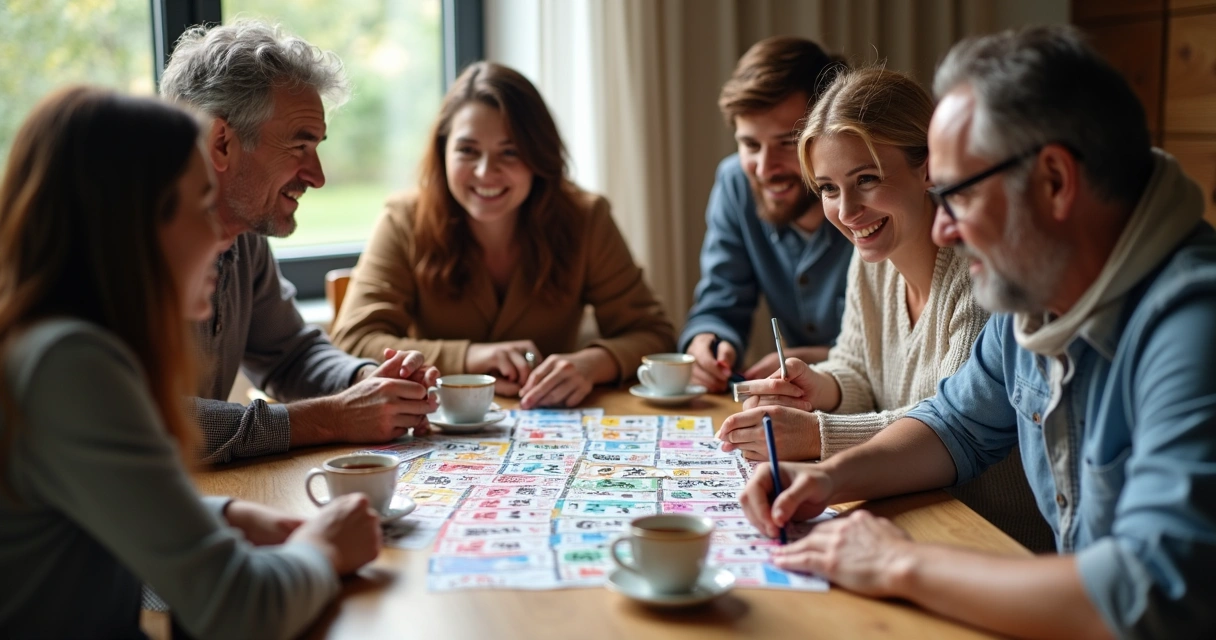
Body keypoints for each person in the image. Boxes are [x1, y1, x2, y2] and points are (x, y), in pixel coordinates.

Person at [740, 26, 1216, 638]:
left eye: (959, 194)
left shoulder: (1194, 324)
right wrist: (828, 478)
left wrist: (897, 560)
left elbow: (1149, 590)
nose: (942, 230)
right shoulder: (1040, 291)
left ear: (1053, 181)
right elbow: (954, 425)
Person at [0, 87, 382, 638]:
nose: (221, 234)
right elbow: (238, 610)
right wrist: (321, 548)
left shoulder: (58, 342)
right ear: (135, 223)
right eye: (203, 205)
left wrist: (223, 516)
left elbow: (92, 506)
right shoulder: (71, 364)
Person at [717, 66, 1051, 551]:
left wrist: (818, 435)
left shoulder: (979, 275)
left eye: (866, 179)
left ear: (927, 168)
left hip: (990, 537)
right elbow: (860, 367)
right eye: (829, 188)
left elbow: (951, 424)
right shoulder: (872, 254)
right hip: (913, 517)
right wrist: (822, 386)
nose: (847, 212)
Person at [160, 20, 439, 464]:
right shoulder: (121, 244)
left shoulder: (242, 235)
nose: (319, 176)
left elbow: (289, 355)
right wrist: (331, 418)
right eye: (299, 146)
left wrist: (367, 382)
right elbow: (147, 421)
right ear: (221, 142)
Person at [330, 61, 676, 410]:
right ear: (443, 151)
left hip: (550, 422)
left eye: (509, 152)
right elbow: (352, 342)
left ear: (539, 157)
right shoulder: (403, 220)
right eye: (467, 150)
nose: (485, 172)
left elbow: (654, 333)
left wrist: (592, 363)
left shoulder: (587, 218)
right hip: (436, 426)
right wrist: (469, 356)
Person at [679, 36, 854, 393]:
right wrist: (708, 344)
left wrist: (823, 358)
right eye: (750, 145)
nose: (764, 168)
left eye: (787, 143)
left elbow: (906, 351)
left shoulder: (870, 199)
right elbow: (721, 302)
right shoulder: (735, 184)